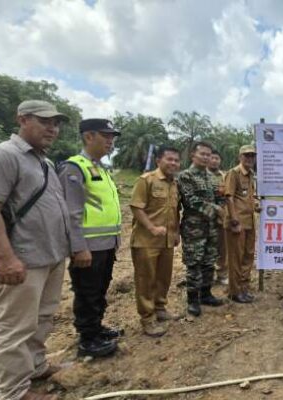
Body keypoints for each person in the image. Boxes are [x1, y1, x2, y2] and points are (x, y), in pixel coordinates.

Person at [0, 100, 71, 400]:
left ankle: (37, 366)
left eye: (56, 123)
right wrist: (6, 258)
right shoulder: (3, 156)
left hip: (51, 256)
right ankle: (14, 392)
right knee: (15, 327)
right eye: (44, 122)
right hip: (22, 260)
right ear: (22, 120)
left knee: (42, 318)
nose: (52, 129)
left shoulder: (44, 161)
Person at [58, 119, 123, 358]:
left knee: (100, 289)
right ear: (88, 136)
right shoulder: (74, 168)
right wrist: (78, 248)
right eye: (106, 136)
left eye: (112, 137)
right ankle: (88, 338)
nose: (110, 141)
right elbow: (71, 213)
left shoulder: (100, 168)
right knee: (87, 292)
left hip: (106, 244)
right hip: (88, 247)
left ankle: (97, 328)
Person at [129, 146, 181, 336]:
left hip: (167, 240)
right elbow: (136, 207)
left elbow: (175, 211)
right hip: (146, 241)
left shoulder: (174, 183)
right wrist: (151, 228)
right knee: (146, 280)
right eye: (169, 159)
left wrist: (176, 233)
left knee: (163, 278)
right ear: (158, 160)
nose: (173, 163)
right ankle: (147, 319)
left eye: (176, 160)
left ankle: (160, 309)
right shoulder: (147, 180)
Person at [178, 142, 225, 316]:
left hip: (212, 227)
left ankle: (206, 294)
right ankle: (192, 300)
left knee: (209, 261)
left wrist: (222, 209)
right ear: (193, 155)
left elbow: (220, 196)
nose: (206, 157)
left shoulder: (213, 177)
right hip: (194, 228)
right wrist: (216, 209)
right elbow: (191, 200)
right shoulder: (186, 176)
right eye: (202, 154)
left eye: (208, 155)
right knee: (194, 262)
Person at [224, 145, 258, 303]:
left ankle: (244, 287)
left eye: (252, 156)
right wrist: (234, 220)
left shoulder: (251, 174)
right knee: (235, 258)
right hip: (237, 223)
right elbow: (229, 197)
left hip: (249, 222)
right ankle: (234, 291)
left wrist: (256, 205)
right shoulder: (234, 173)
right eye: (246, 156)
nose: (250, 158)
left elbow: (248, 197)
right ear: (240, 157)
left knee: (248, 255)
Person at [208, 150, 228, 285]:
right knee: (207, 248)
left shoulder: (225, 176)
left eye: (217, 158)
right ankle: (207, 275)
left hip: (222, 218)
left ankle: (222, 274)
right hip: (206, 218)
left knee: (223, 248)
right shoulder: (202, 176)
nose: (214, 160)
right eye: (212, 158)